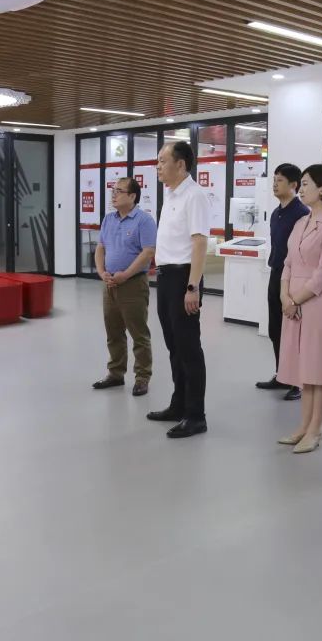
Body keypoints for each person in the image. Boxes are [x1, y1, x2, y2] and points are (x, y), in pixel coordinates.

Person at [276, 165, 322, 454]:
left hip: (315, 301)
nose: (301, 189)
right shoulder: (301, 222)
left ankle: (316, 430)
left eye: (306, 184)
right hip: (292, 300)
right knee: (304, 368)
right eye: (301, 184)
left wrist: (295, 300)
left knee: (319, 368)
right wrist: (284, 295)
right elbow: (288, 262)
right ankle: (303, 426)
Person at [146, 141, 209, 438]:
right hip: (166, 276)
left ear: (180, 164)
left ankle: (196, 416)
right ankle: (179, 404)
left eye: (162, 160)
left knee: (189, 348)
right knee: (174, 347)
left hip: (184, 277)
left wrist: (192, 286)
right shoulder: (171, 194)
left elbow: (200, 243)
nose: (157, 166)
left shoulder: (194, 195)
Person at [92, 177, 158, 397]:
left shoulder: (144, 220)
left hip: (133, 284)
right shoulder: (108, 219)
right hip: (110, 283)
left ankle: (142, 377)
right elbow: (100, 247)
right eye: (113, 190)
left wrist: (126, 274)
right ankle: (115, 373)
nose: (114, 194)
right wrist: (102, 272)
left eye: (119, 191)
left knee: (139, 333)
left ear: (132, 196)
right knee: (113, 332)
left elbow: (148, 252)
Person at [256, 163, 309, 401]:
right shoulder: (277, 213)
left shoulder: (302, 214)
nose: (275, 184)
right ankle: (282, 374)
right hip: (276, 273)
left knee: (293, 331)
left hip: (294, 278)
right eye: (274, 180)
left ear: (293, 185)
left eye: (280, 180)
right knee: (275, 328)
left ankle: (297, 382)